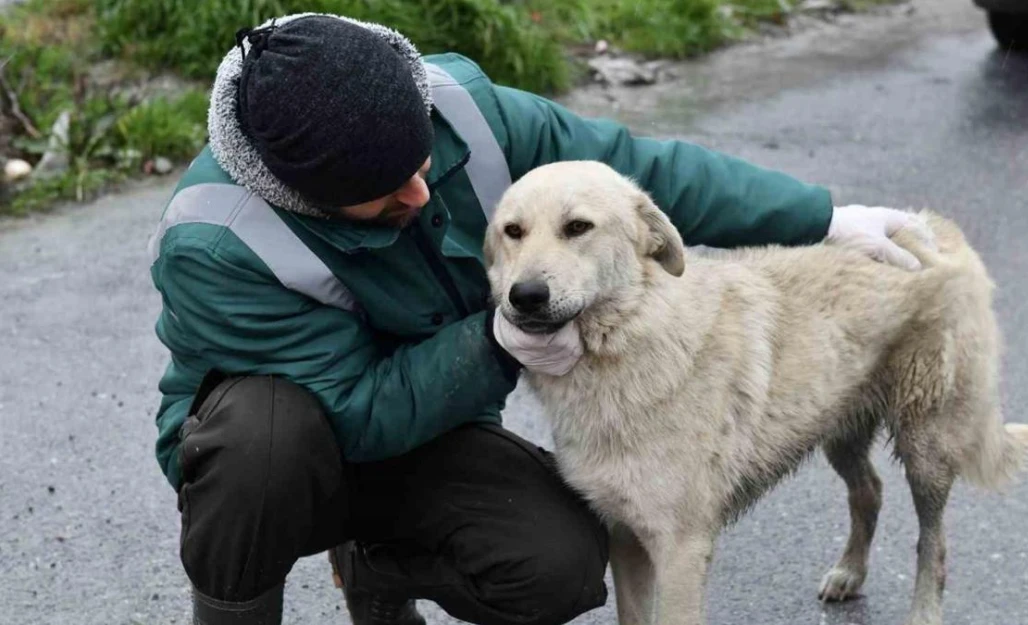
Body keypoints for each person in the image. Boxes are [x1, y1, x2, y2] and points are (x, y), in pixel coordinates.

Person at [147, 12, 927, 625]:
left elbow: (636, 176)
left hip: (433, 424)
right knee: (265, 440)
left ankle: (378, 563)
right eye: (385, 191)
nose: (421, 196)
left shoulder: (460, 107)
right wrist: (493, 344)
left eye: (421, 164)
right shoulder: (216, 242)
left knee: (557, 564)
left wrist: (821, 215)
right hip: (295, 454)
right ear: (304, 191)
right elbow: (355, 414)